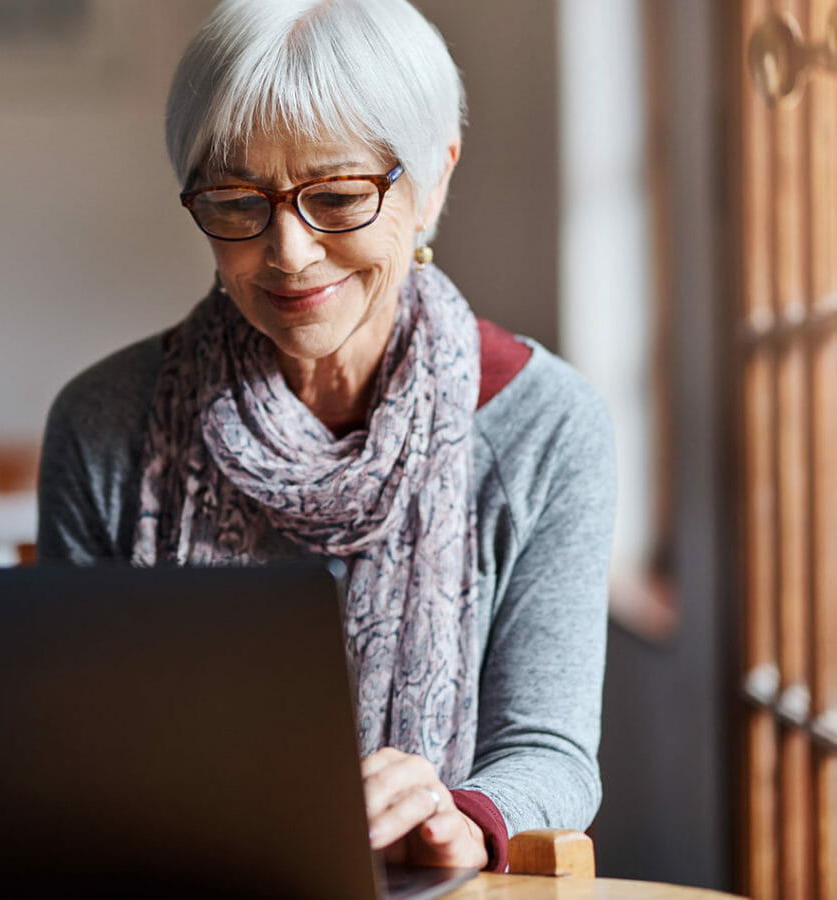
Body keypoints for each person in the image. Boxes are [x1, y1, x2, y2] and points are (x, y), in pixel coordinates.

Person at [37, 0, 615, 874]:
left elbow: (550, 748)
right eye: (237, 202)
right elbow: (69, 743)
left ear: (433, 184)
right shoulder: (103, 425)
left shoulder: (546, 426)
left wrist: (464, 816)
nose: (290, 253)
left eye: (339, 196)